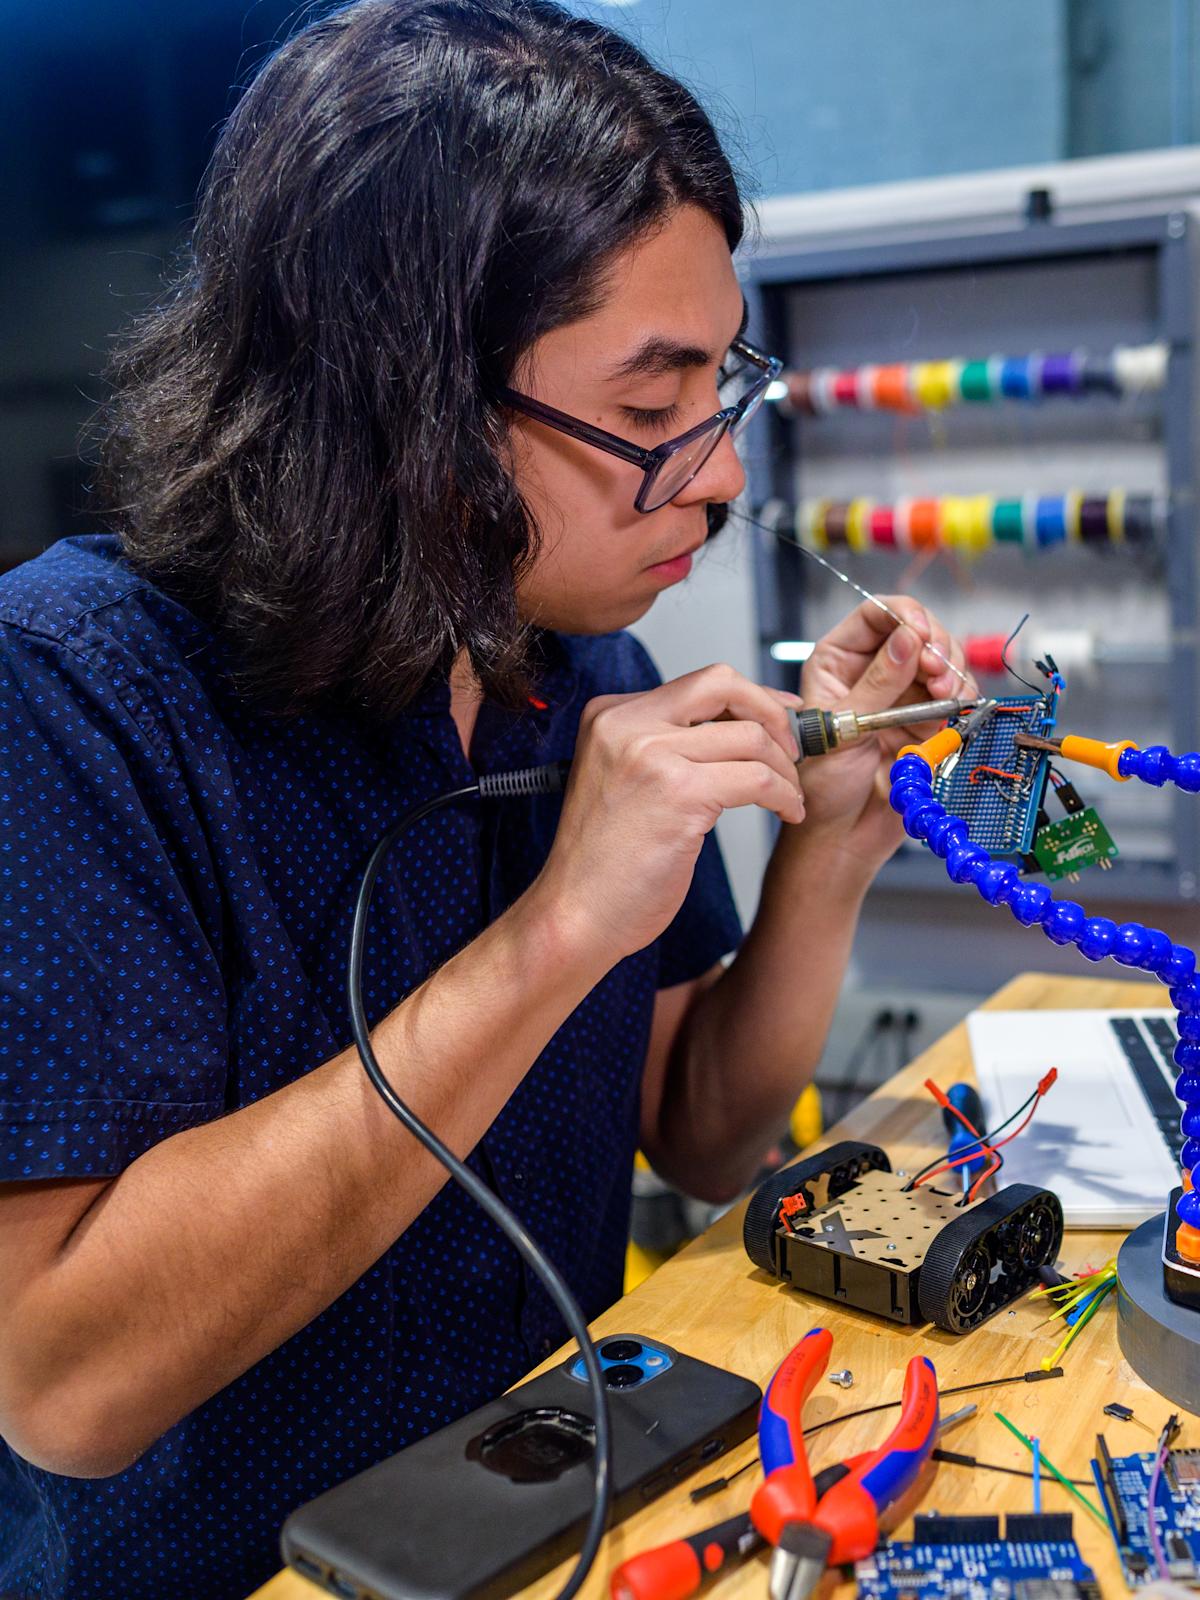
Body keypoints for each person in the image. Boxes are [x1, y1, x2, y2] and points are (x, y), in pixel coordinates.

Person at [0, 2, 972, 1595]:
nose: (719, 477)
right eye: (650, 412)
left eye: (717, 391)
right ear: (408, 404)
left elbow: (709, 1132)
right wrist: (554, 933)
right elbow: (65, 1387)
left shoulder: (577, 661)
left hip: (558, 1530)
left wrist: (832, 848)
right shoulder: (78, 692)